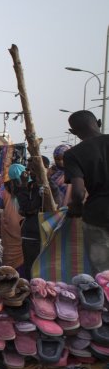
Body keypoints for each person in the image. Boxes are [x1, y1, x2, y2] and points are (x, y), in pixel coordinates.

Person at [64, 110, 109, 272]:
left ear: (73, 132)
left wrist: (76, 208)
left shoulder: (72, 154)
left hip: (97, 216)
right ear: (98, 122)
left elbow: (78, 192)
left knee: (103, 272)